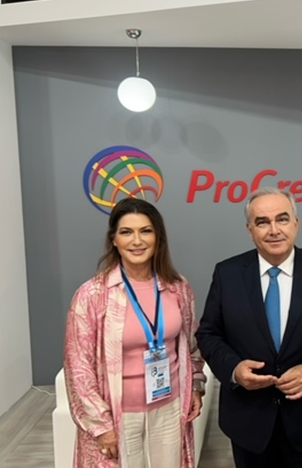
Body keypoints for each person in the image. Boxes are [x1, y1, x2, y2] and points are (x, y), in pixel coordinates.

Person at [196, 187, 302, 468]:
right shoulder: (227, 273)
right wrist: (234, 370)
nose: (274, 230)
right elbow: (209, 334)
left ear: (296, 223)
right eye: (262, 222)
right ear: (250, 230)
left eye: (282, 219)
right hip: (250, 422)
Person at [64, 197, 206, 468]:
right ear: (114, 239)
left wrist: (196, 387)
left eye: (146, 231)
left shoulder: (178, 288)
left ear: (158, 238)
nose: (137, 241)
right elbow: (78, 367)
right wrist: (101, 425)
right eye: (127, 232)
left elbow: (191, 346)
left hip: (170, 408)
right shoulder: (93, 295)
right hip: (119, 415)